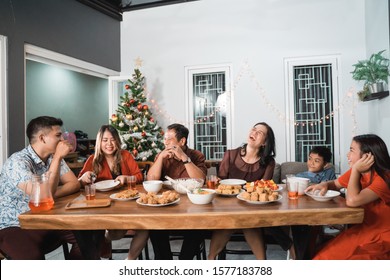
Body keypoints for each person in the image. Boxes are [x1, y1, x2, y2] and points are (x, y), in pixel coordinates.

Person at [0, 116, 83, 259]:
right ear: (42, 138)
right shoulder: (17, 162)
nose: (63, 140)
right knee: (32, 259)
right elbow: (44, 196)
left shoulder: (51, 157)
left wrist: (51, 195)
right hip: (15, 224)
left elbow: (74, 184)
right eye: (58, 135)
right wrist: (57, 158)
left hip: (46, 218)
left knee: (88, 236)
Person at [208, 122, 293, 259]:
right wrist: (218, 181)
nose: (254, 132)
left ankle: (262, 261)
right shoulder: (230, 154)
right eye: (254, 129)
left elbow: (264, 187)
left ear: (265, 142)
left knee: (249, 219)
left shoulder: (269, 162)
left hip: (252, 207)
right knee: (238, 219)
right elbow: (221, 182)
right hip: (229, 205)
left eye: (260, 132)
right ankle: (211, 260)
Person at [307, 134, 390, 259]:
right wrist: (324, 184)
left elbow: (352, 201)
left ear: (367, 156)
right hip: (362, 230)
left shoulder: (385, 178)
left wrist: (356, 169)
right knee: (320, 257)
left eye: (351, 150)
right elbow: (335, 183)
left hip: (382, 236)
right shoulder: (357, 172)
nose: (347, 155)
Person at [78, 124, 146, 260]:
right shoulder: (93, 159)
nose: (109, 144)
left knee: (145, 227)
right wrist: (83, 178)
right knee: (112, 232)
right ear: (99, 142)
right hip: (103, 206)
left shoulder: (125, 156)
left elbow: (139, 176)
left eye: (112, 139)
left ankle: (129, 262)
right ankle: (103, 243)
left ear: (117, 141)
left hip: (127, 204)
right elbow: (78, 182)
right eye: (105, 140)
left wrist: (126, 178)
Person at [147, 123, 207, 260]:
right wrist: (160, 158)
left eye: (169, 139)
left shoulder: (196, 155)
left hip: (191, 206)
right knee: (154, 227)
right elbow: (151, 179)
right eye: (165, 139)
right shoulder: (163, 155)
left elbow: (200, 180)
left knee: (199, 225)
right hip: (166, 206)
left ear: (182, 141)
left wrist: (185, 158)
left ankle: (183, 264)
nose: (165, 142)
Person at [293, 146, 337, 259]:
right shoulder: (300, 176)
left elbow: (332, 189)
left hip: (324, 206)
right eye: (310, 159)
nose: (311, 163)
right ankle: (303, 254)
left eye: (316, 160)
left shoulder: (329, 173)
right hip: (305, 207)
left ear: (325, 164)